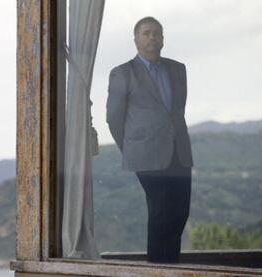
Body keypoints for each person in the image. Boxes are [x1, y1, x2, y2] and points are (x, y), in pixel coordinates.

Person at [106, 16, 193, 263]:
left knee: (180, 212)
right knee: (161, 211)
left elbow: (176, 112)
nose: (152, 37)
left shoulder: (178, 69)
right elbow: (114, 119)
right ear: (136, 39)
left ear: (163, 39)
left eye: (156, 33)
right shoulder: (122, 73)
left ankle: (170, 265)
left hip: (179, 151)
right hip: (144, 155)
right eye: (146, 33)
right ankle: (157, 267)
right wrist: (132, 148)